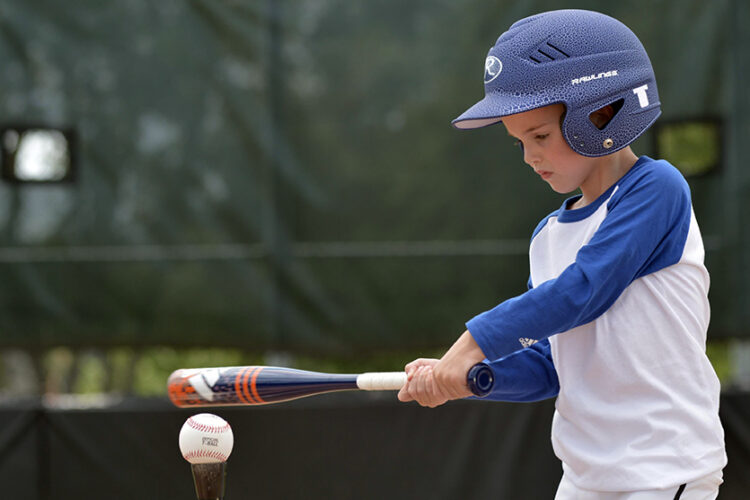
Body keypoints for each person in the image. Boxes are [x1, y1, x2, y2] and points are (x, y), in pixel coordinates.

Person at [397, 9, 727, 500]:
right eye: (520, 143)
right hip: (585, 477)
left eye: (541, 136)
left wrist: (471, 343)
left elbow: (583, 291)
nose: (531, 157)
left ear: (602, 113)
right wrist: (472, 378)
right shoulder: (548, 236)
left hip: (664, 467)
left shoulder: (657, 189)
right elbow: (550, 365)